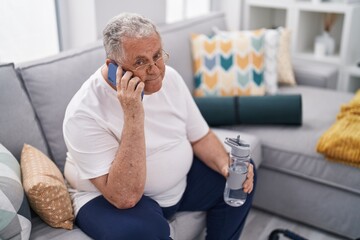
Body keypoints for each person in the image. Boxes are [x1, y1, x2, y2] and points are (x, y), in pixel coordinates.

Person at [63, 12, 256, 240]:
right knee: (144, 232)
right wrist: (133, 113)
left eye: (157, 55)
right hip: (109, 198)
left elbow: (200, 137)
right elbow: (124, 197)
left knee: (240, 173)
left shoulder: (171, 79)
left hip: (178, 188)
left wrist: (226, 166)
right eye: (140, 62)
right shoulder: (83, 112)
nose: (155, 70)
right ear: (114, 67)